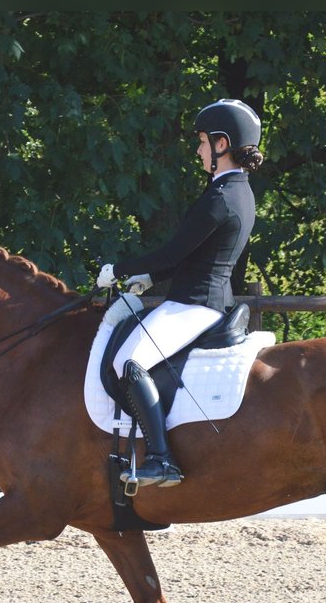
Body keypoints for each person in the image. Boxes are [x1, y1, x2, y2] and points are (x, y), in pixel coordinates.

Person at [96, 98, 264, 487]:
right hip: (205, 297)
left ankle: (161, 459)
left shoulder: (220, 198)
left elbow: (173, 253)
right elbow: (193, 253)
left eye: (204, 142)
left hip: (195, 303)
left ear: (222, 144)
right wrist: (150, 279)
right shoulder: (238, 190)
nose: (199, 149)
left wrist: (118, 271)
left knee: (128, 362)